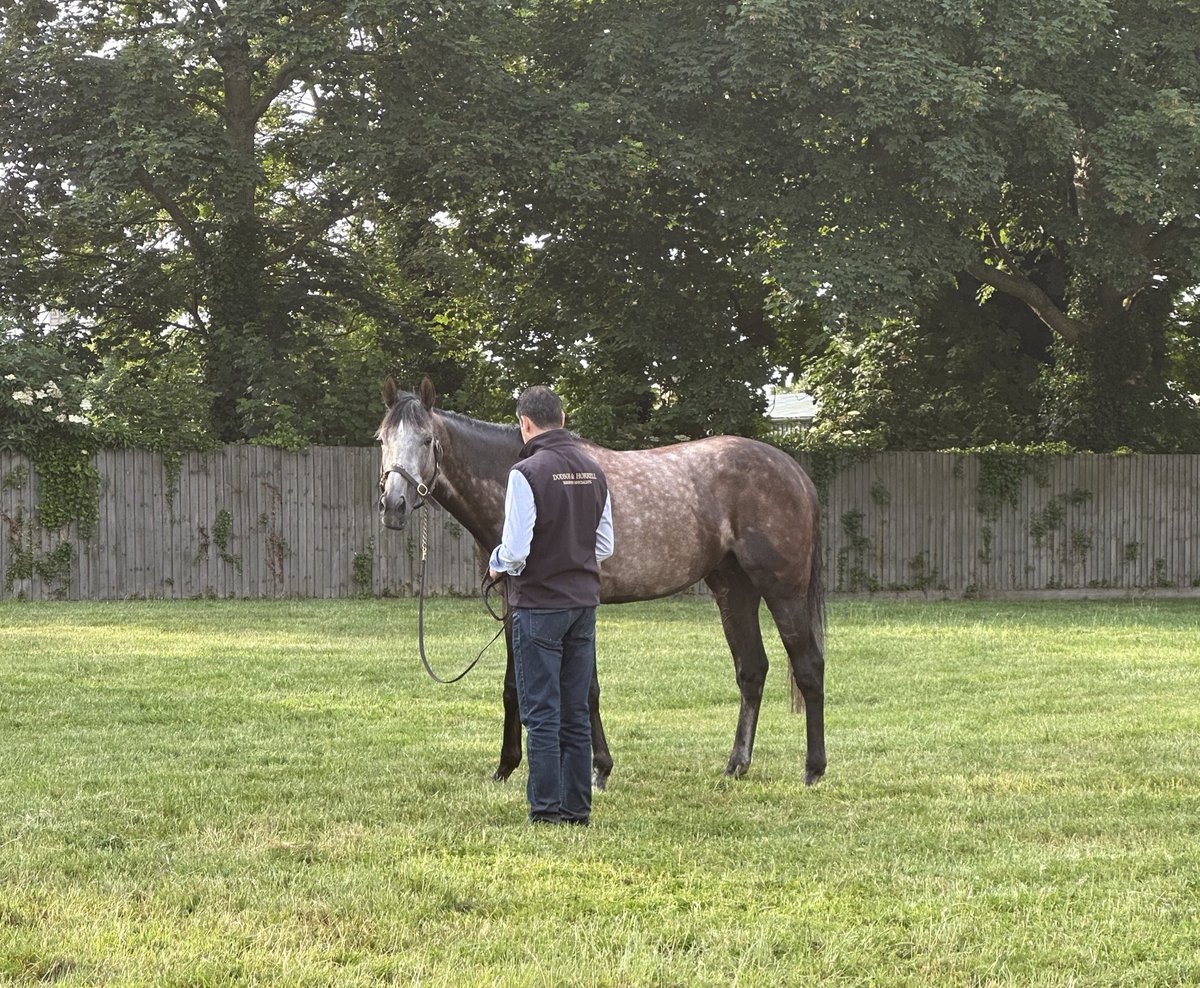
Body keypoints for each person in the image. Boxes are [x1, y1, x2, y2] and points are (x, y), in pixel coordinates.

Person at [488, 386, 614, 826]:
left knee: (541, 713)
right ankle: (577, 810)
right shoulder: (595, 471)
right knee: (575, 712)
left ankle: (545, 812)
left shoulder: (527, 472)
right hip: (583, 604)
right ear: (562, 417)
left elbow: (517, 550)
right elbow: (605, 545)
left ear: (525, 423)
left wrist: (495, 564)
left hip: (539, 606)